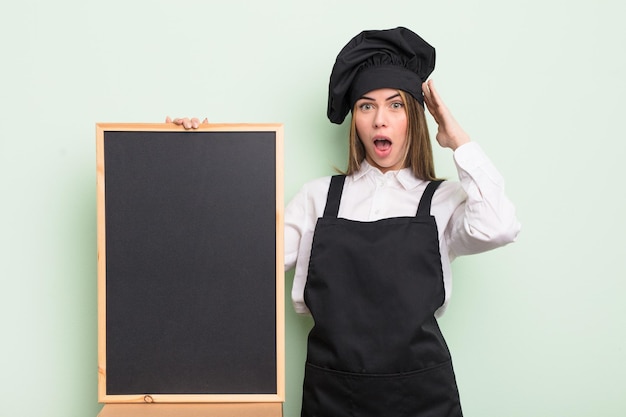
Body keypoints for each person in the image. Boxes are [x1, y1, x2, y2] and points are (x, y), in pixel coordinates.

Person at [169, 26, 520, 417]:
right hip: (332, 397)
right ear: (355, 119)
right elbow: (239, 259)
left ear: (415, 118)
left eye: (396, 105)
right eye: (367, 106)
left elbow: (499, 225)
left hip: (424, 398)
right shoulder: (317, 198)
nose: (379, 121)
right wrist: (193, 155)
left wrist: (458, 138)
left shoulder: (443, 200)